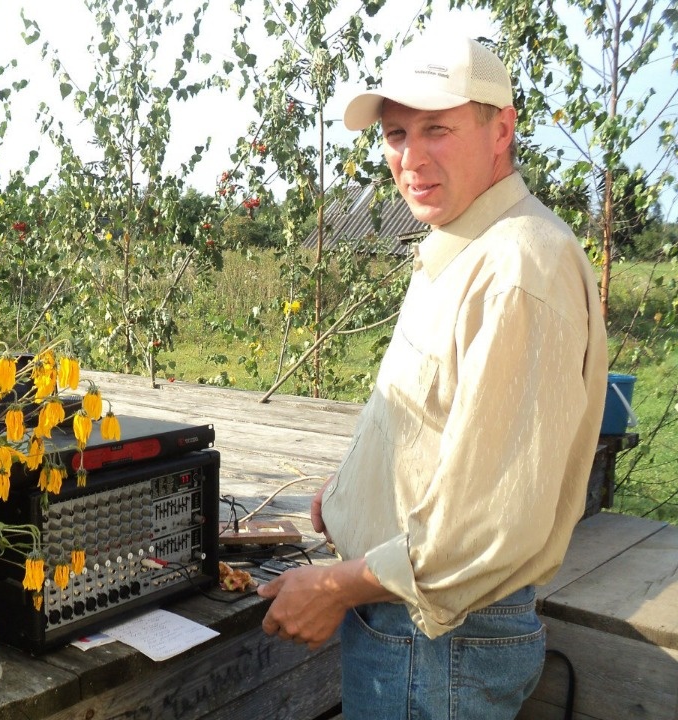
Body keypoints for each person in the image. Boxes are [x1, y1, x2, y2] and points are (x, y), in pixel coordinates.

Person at [257, 33, 608, 719]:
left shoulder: (517, 268)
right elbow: (437, 422)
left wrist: (334, 587)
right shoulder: (465, 242)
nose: (411, 158)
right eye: (396, 134)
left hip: (436, 640)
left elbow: (484, 524)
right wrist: (354, 495)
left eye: (437, 130)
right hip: (415, 629)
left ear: (501, 129)